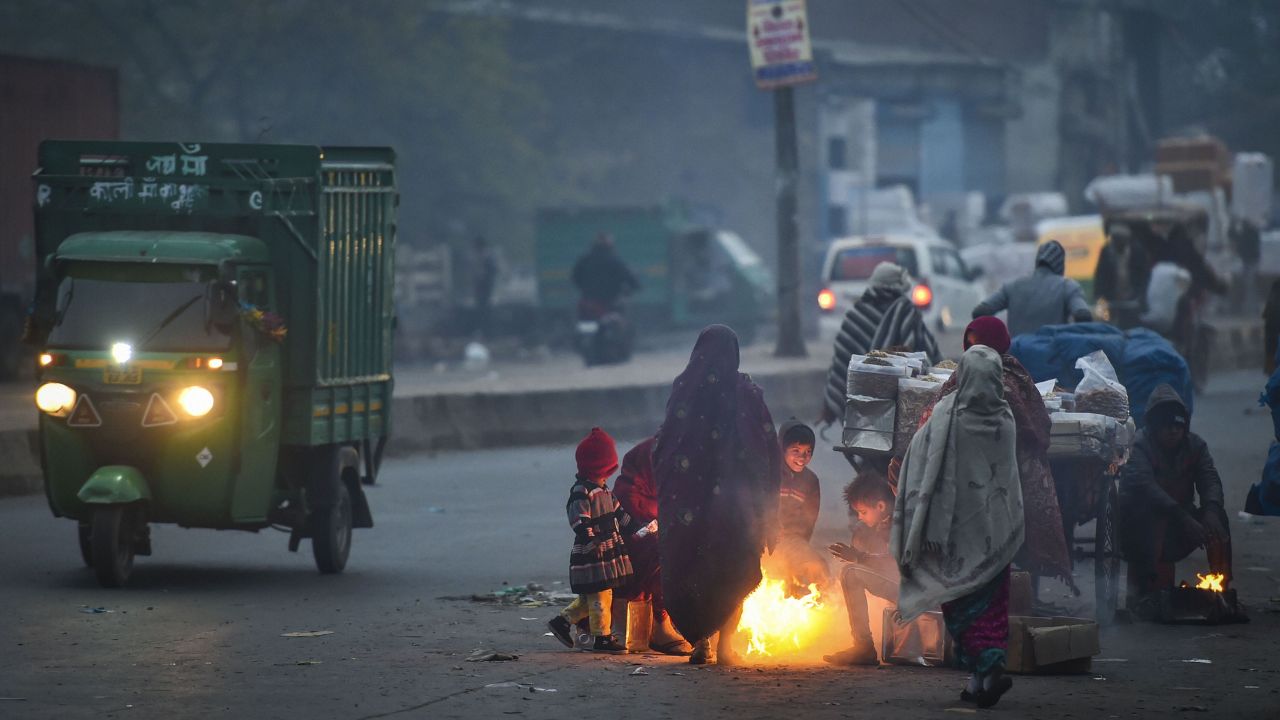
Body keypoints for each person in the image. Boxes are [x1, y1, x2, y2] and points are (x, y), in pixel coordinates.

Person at [893, 345, 1024, 708]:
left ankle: (984, 672)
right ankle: (980, 682)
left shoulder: (946, 416)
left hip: (951, 537)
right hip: (996, 533)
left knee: (959, 604)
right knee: (993, 607)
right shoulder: (1005, 418)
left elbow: (919, 461)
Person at [655, 325, 781, 665]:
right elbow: (767, 448)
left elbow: (665, 447)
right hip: (734, 507)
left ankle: (701, 645)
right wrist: (768, 505)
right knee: (731, 569)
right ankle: (725, 648)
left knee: (695, 568)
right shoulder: (745, 391)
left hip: (689, 506)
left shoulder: (684, 388)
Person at [921, 317, 1076, 591]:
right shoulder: (962, 376)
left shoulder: (1012, 379)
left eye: (979, 345)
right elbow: (933, 420)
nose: (975, 352)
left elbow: (1034, 427)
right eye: (971, 346)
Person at [1120, 385, 1232, 611]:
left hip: (1182, 522)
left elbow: (1210, 480)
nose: (1173, 431)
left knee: (1218, 518)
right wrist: (1182, 517)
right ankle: (1147, 589)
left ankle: (1222, 586)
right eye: (1166, 426)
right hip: (1141, 529)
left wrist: (1210, 510)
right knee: (1153, 598)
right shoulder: (1138, 445)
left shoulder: (1196, 446)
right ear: (1154, 427)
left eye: (1177, 426)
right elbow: (1146, 489)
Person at [547, 427, 646, 653]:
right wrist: (591, 541)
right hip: (593, 553)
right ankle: (602, 638)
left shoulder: (604, 490)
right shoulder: (582, 491)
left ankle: (562, 622)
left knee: (592, 596)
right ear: (603, 466)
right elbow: (579, 520)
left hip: (606, 552)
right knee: (601, 597)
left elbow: (620, 515)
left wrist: (639, 530)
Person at [821, 262, 942, 425]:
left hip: (862, 404)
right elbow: (924, 354)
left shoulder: (857, 313)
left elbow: (841, 364)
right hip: (902, 401)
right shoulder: (906, 312)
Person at [613, 436, 695, 655]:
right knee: (659, 555)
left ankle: (664, 625)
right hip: (629, 551)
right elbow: (638, 526)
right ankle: (654, 627)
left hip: (652, 536)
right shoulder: (628, 493)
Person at [825, 471, 898, 666]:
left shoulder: (901, 520)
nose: (860, 517)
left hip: (917, 591)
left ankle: (863, 647)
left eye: (863, 512)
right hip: (908, 587)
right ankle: (862, 646)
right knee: (852, 571)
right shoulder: (875, 525)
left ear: (881, 506)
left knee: (850, 574)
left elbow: (894, 563)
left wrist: (858, 557)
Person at [972, 240, 1093, 337]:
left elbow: (980, 311)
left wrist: (999, 339)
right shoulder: (1068, 286)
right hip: (1054, 357)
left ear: (1038, 261)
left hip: (1019, 357)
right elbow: (1083, 315)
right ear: (1061, 264)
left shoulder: (1013, 286)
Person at [767, 419, 829, 594]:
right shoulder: (768, 472)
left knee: (817, 568)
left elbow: (808, 523)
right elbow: (755, 510)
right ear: (781, 449)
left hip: (792, 541)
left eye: (808, 452)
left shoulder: (810, 481)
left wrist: (799, 551)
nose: (802, 458)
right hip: (762, 541)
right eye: (796, 451)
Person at [1093, 223, 1150, 329]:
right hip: (1112, 299)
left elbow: (1144, 277)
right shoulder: (1106, 251)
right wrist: (1099, 297)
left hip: (1133, 300)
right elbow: (1100, 276)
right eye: (1115, 239)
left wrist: (1140, 297)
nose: (1117, 243)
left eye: (1120, 239)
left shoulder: (1137, 251)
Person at [571, 232, 641, 318]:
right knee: (620, 319)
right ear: (610, 244)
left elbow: (575, 277)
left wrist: (585, 289)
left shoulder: (584, 260)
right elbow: (629, 278)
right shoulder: (614, 261)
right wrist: (634, 287)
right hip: (610, 301)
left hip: (588, 300)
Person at [470, 235, 498, 338]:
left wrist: (484, 278)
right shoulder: (483, 256)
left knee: (484, 310)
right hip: (482, 286)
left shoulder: (487, 256)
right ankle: (484, 332)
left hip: (484, 286)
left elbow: (491, 271)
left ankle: (487, 332)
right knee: (482, 309)